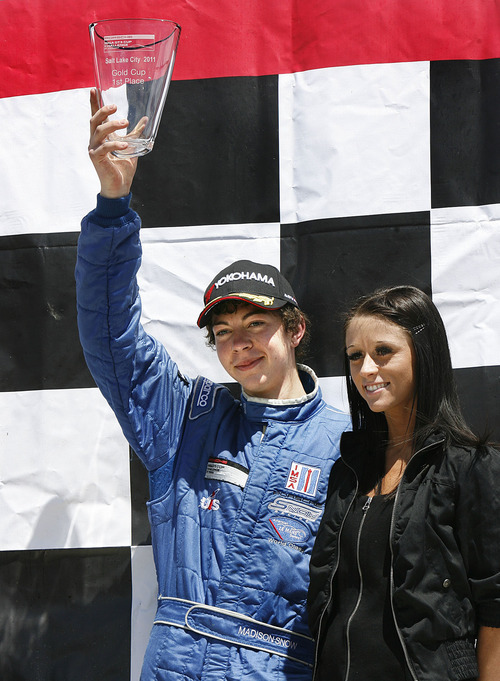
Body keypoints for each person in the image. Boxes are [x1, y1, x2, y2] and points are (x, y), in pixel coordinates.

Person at [75, 90, 350, 681]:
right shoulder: (184, 419)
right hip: (174, 663)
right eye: (223, 332)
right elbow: (109, 333)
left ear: (296, 329)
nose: (240, 343)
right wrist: (114, 205)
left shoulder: (348, 440)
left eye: (257, 325)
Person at [307, 285, 500, 681]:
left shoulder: (470, 465)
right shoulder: (349, 470)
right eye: (355, 356)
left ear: (424, 354)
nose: (366, 370)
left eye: (383, 351)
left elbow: (495, 611)